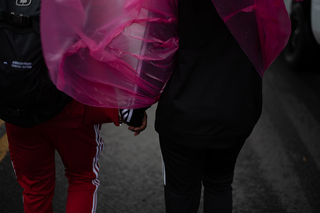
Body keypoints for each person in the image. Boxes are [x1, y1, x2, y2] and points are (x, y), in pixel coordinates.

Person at [154, 0, 288, 212]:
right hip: (236, 106)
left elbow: (157, 41)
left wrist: (137, 105)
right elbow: (272, 32)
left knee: (181, 189)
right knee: (220, 183)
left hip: (184, 108)